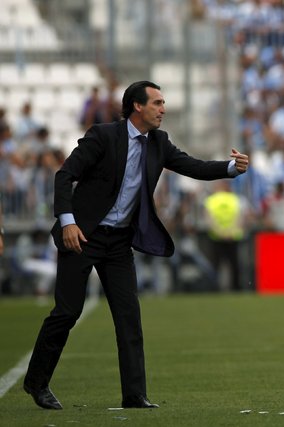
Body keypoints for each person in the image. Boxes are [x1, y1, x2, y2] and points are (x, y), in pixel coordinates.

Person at [22, 81, 249, 410]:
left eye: (163, 103)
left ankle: (134, 395)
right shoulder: (103, 135)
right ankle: (37, 382)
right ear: (137, 106)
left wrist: (230, 168)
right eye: (157, 103)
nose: (163, 109)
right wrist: (68, 222)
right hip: (82, 236)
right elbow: (64, 175)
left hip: (118, 242)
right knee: (67, 312)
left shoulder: (159, 141)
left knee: (129, 317)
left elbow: (193, 166)